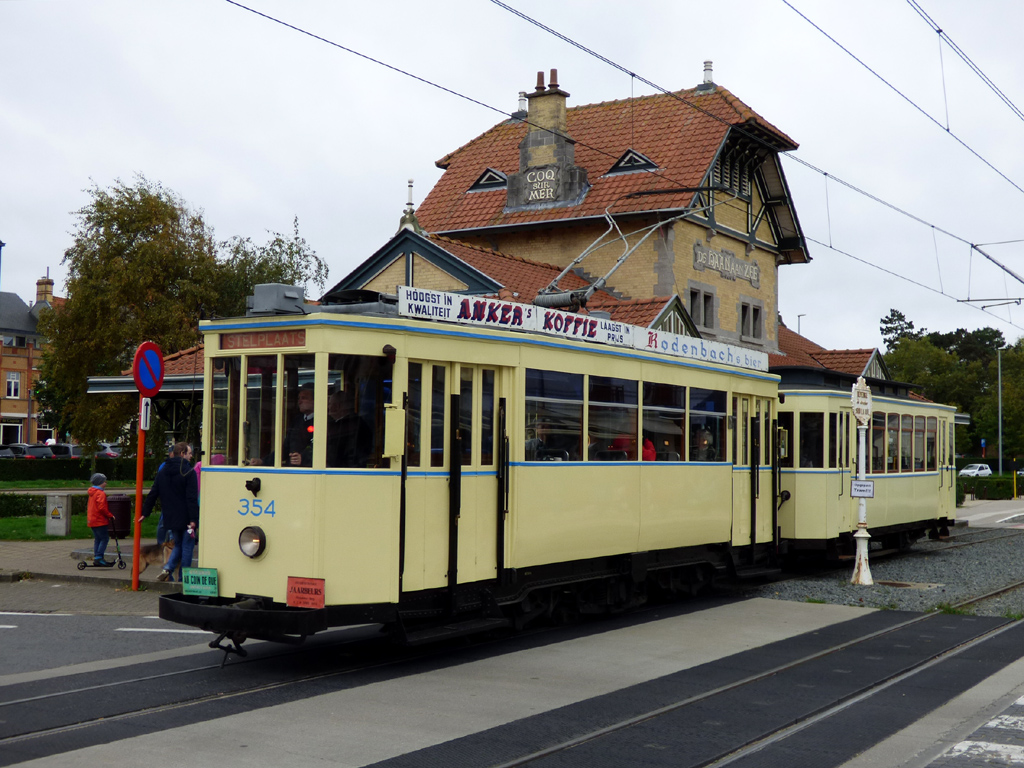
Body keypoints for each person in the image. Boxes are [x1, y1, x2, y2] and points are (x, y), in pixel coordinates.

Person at [142, 441, 199, 582]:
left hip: (169, 516)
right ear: (182, 454)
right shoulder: (188, 472)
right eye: (190, 453)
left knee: (178, 544)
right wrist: (193, 519)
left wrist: (145, 512)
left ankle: (168, 568)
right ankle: (183, 578)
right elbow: (191, 498)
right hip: (186, 516)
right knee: (187, 547)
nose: (191, 456)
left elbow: (153, 493)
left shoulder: (163, 472)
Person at [249, 383, 315, 467]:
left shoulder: (324, 422)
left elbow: (325, 450)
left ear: (314, 400)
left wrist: (303, 458)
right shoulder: (297, 421)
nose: (299, 402)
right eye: (299, 398)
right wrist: (262, 461)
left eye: (304, 398)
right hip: (292, 471)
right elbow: (285, 448)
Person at [326, 388, 373, 468]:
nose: (328, 407)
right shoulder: (355, 423)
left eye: (329, 404)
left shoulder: (351, 425)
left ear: (337, 406)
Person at [87, 473, 115, 566]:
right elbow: (102, 508)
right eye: (104, 481)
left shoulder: (92, 492)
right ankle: (99, 557)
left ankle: (97, 556)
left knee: (97, 539)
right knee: (104, 539)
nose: (106, 483)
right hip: (99, 520)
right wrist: (110, 515)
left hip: (92, 520)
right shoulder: (100, 493)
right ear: (100, 483)